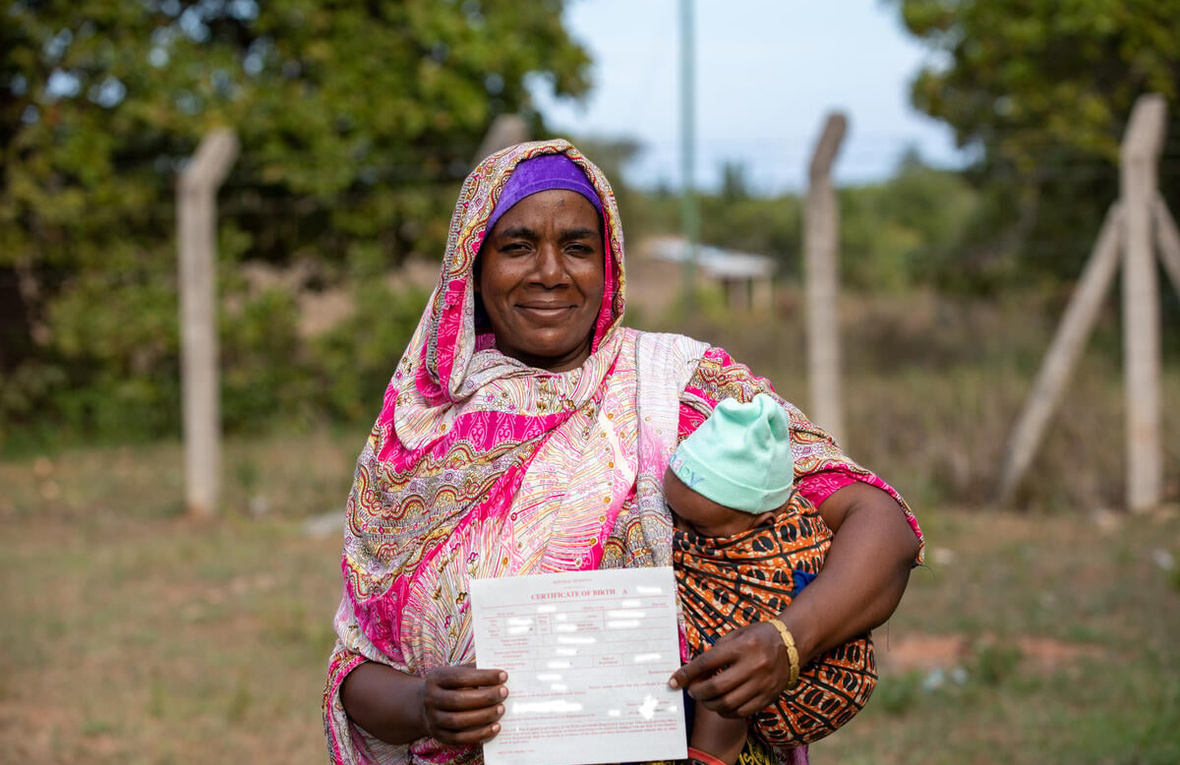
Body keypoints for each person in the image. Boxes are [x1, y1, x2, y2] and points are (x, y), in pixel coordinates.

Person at [322, 139, 924, 765]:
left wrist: (788, 641)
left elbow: (879, 520)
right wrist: (424, 704)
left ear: (608, 265)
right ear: (472, 263)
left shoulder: (677, 386)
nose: (550, 272)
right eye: (518, 245)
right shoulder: (415, 434)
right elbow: (357, 669)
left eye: (578, 247)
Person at [665, 394, 877, 765]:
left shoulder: (768, 564)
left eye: (696, 528)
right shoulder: (733, 517)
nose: (678, 534)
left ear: (760, 522)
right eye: (673, 516)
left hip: (802, 694)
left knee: (727, 659)